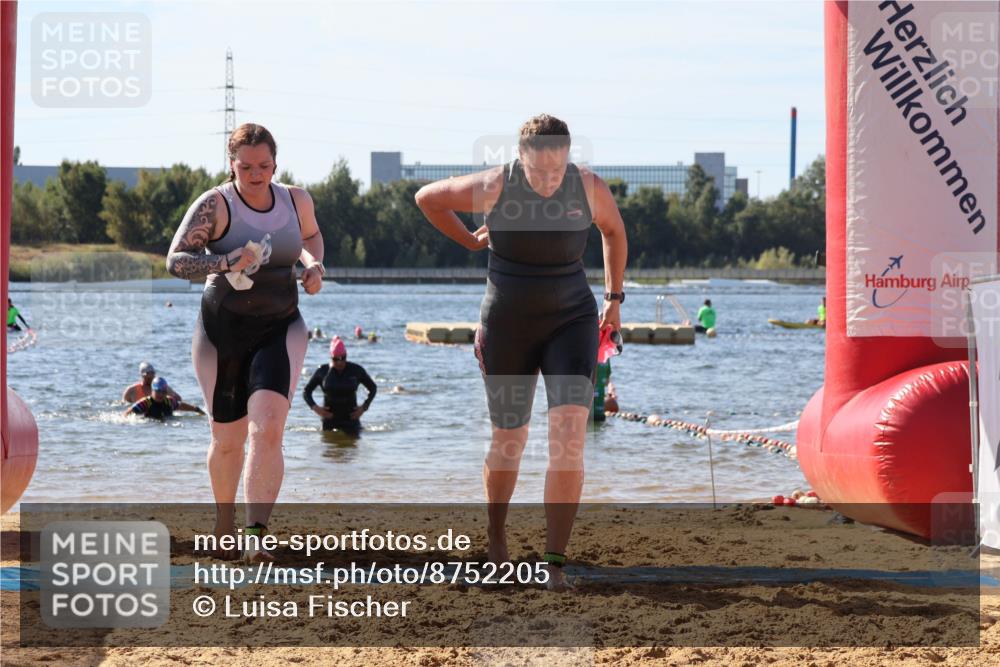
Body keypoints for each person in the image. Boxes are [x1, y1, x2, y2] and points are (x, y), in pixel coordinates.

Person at [415, 113, 627, 590]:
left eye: (559, 170)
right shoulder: (494, 184)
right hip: (507, 324)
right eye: (540, 172)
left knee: (570, 436)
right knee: (509, 439)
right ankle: (496, 539)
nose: (551, 181)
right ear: (520, 159)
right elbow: (427, 199)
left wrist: (614, 300)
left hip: (572, 320)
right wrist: (470, 240)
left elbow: (613, 231)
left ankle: (553, 563)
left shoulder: (588, 187)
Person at [166, 122, 324, 561]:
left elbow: (310, 237)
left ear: (276, 162)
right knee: (228, 439)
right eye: (247, 167)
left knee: (268, 426)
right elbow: (176, 261)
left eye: (265, 166)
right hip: (222, 332)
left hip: (281, 325)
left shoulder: (296, 199)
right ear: (231, 164)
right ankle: (223, 525)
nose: (257, 175)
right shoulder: (216, 204)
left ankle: (256, 536)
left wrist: (314, 267)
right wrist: (225, 259)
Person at [303, 336, 377, 436]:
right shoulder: (322, 371)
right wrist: (317, 409)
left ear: (346, 355)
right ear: (331, 357)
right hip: (329, 421)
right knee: (329, 450)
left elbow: (373, 388)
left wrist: (363, 408)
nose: (340, 362)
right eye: (336, 359)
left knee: (352, 450)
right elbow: (306, 392)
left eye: (343, 358)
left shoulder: (356, 370)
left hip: (351, 421)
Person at [125, 377, 204, 419]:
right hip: (150, 426)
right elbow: (126, 414)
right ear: (152, 391)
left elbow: (181, 405)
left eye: (163, 392)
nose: (160, 394)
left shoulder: (169, 401)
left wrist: (196, 409)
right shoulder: (145, 402)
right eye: (158, 391)